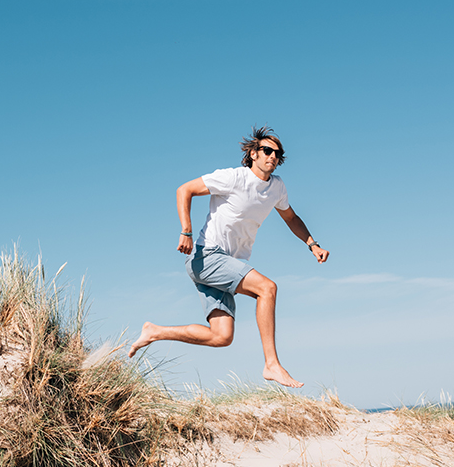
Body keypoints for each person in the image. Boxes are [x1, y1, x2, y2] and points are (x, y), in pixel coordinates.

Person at [127, 127, 329, 388]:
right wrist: (186, 231)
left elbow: (290, 217)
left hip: (225, 264)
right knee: (267, 289)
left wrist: (312, 244)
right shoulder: (233, 177)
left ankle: (155, 331)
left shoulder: (276, 188)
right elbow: (184, 190)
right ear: (253, 154)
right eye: (267, 151)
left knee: (221, 337)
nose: (272, 156)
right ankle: (272, 364)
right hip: (206, 255)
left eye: (277, 154)